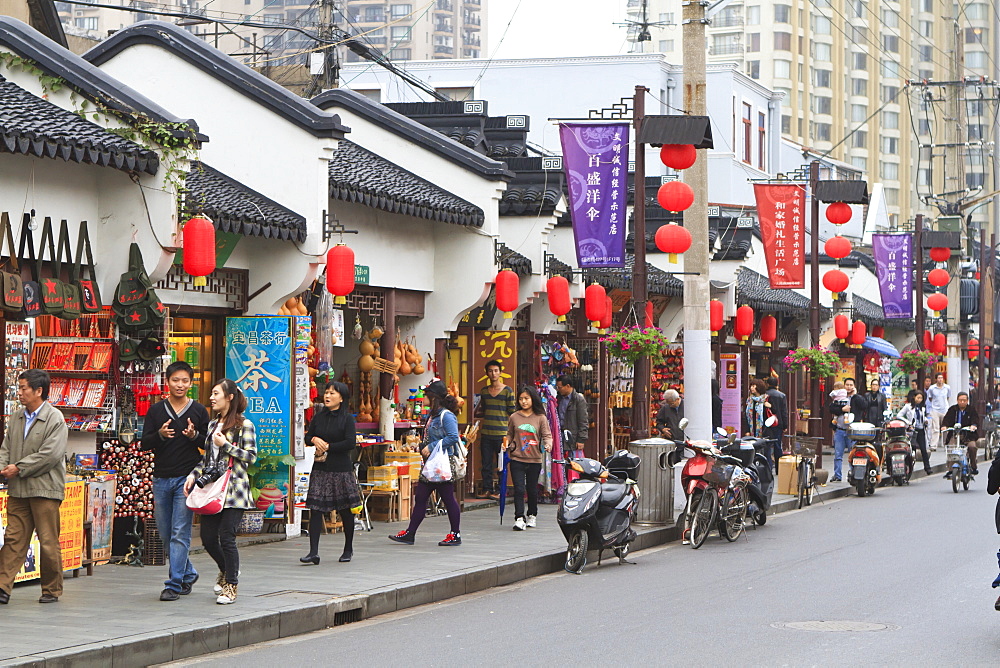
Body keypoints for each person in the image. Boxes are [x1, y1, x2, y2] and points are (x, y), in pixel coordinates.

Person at [140, 361, 210, 602]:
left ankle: (174, 583)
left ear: (191, 383)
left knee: (180, 532)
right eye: (175, 380)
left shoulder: (199, 410)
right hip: (161, 478)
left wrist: (194, 436)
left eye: (185, 381)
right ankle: (188, 573)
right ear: (167, 382)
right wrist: (159, 435)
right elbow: (144, 443)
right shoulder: (156, 410)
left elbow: (207, 444)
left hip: (187, 478)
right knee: (165, 533)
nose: (180, 385)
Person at [185, 379, 257, 605]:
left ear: (230, 397)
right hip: (213, 489)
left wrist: (226, 444)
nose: (211, 398)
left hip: (234, 490)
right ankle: (226, 570)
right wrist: (193, 475)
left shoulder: (245, 425)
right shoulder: (212, 425)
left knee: (227, 536)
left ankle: (231, 586)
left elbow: (250, 457)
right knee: (207, 538)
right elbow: (207, 459)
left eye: (216, 394)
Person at [0, 370, 68, 604]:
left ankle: (51, 589)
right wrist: (3, 468)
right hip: (18, 489)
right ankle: (2, 586)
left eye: (23, 388)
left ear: (39, 391)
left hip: (45, 489)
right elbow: (5, 448)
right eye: (19, 388)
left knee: (48, 540)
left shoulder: (55, 418)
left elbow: (50, 455)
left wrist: (18, 467)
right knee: (14, 539)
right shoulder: (17, 417)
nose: (19, 393)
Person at [389, 380, 462, 546]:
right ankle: (410, 533)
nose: (423, 398)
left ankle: (455, 534)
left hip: (442, 464)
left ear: (433, 397)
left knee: (448, 498)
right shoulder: (432, 415)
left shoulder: (446, 415)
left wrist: (431, 446)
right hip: (431, 465)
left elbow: (453, 438)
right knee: (421, 497)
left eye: (426, 395)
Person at [301, 381, 360, 564]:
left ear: (341, 398)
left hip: (341, 469)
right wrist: (314, 439)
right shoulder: (319, 417)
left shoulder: (347, 418)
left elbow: (350, 443)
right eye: (326, 392)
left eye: (333, 393)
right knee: (316, 509)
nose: (327, 396)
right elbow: (307, 436)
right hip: (320, 468)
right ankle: (313, 552)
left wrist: (329, 446)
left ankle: (348, 548)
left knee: (345, 510)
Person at [505, 386, 552, 531]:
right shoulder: (514, 417)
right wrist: (506, 443)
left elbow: (547, 435)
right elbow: (509, 434)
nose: (524, 402)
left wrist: (548, 445)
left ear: (532, 399)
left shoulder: (541, 418)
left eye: (526, 398)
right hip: (517, 458)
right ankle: (519, 517)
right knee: (519, 489)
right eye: (521, 399)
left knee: (531, 489)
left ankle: (532, 514)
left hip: (534, 459)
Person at [475, 360, 516, 500]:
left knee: (501, 464)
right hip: (486, 432)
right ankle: (487, 489)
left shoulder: (507, 391)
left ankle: (500, 491)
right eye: (490, 371)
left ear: (500, 372)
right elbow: (483, 409)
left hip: (502, 434)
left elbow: (513, 413)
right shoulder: (484, 391)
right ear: (487, 373)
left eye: (496, 371)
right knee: (486, 464)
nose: (493, 373)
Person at [828, 377, 869, 482]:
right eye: (847, 385)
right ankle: (837, 475)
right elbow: (831, 408)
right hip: (840, 430)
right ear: (844, 385)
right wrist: (842, 409)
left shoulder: (856, 398)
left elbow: (865, 405)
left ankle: (854, 475)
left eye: (851, 385)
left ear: (854, 386)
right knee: (838, 454)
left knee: (854, 454)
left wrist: (855, 395)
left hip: (853, 431)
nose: (849, 387)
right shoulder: (838, 397)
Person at [941, 391, 980, 476]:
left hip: (968, 435)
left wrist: (973, 426)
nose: (962, 402)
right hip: (955, 435)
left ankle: (973, 467)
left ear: (967, 401)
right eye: (960, 400)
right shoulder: (952, 409)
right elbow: (946, 420)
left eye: (964, 400)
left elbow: (975, 420)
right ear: (957, 400)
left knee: (972, 447)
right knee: (951, 448)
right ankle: (951, 469)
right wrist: (944, 426)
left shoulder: (971, 409)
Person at [898, 389, 932, 475]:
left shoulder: (922, 408)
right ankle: (909, 469)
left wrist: (925, 420)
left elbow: (923, 417)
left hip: (920, 430)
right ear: (914, 397)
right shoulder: (908, 406)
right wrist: (908, 423)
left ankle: (927, 468)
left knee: (923, 449)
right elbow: (899, 415)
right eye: (918, 398)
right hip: (911, 430)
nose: (919, 400)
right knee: (911, 451)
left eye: (921, 398)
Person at [556, 375, 589, 453]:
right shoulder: (558, 398)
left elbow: (583, 421)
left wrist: (581, 439)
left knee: (573, 461)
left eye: (560, 387)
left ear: (567, 386)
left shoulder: (578, 400)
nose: (558, 389)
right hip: (559, 435)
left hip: (572, 437)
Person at [765, 377, 788, 471]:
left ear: (767, 384)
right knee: (777, 445)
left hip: (767, 423)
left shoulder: (765, 395)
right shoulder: (781, 395)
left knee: (767, 445)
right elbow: (784, 412)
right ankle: (779, 468)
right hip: (778, 423)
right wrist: (785, 425)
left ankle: (768, 467)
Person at [927, 373, 952, 452]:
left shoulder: (947, 387)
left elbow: (948, 397)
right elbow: (930, 398)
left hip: (945, 409)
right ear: (936, 379)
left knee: (945, 428)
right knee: (935, 428)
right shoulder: (932, 388)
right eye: (939, 378)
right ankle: (934, 445)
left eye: (941, 378)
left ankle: (946, 444)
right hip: (935, 410)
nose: (940, 380)